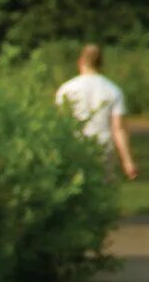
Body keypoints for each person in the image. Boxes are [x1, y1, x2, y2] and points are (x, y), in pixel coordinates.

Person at [55, 44, 138, 180]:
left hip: (75, 145)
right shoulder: (112, 90)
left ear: (80, 61)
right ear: (101, 64)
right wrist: (127, 161)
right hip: (103, 146)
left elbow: (60, 124)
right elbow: (119, 129)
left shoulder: (66, 89)